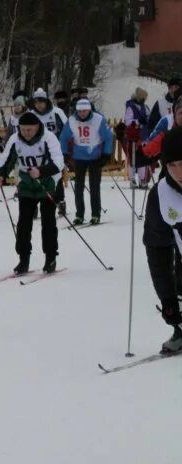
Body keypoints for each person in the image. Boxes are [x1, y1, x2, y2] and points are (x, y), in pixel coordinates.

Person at [0, 111, 66, 275]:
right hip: (27, 184)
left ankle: (50, 258)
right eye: (23, 129)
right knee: (23, 224)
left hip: (48, 182)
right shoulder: (15, 139)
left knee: (48, 222)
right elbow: (6, 159)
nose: (26, 133)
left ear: (37, 127)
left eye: (30, 130)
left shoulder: (48, 138)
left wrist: (41, 172)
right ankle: (23, 259)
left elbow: (58, 162)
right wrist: (1, 174)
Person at [142, 126, 182, 354]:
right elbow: (157, 250)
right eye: (172, 165)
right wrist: (167, 300)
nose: (178, 172)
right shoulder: (161, 194)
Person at [58, 98, 113, 225]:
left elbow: (108, 137)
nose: (82, 113)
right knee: (78, 188)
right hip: (79, 157)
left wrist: (106, 154)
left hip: (95, 157)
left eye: (85, 111)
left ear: (89, 109)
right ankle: (79, 215)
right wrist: (65, 153)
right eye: (80, 111)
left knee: (94, 187)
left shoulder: (99, 119)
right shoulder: (72, 120)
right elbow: (64, 137)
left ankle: (95, 214)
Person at [31, 89, 69, 216]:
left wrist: (64, 149)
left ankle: (60, 202)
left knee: (56, 177)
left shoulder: (56, 112)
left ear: (46, 101)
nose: (39, 104)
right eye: (36, 102)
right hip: (38, 150)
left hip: (54, 150)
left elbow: (66, 130)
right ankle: (35, 204)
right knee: (36, 177)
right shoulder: (31, 115)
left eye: (41, 101)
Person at [125, 87, 153, 187]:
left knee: (143, 159)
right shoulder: (131, 107)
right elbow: (128, 122)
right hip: (134, 137)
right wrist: (138, 122)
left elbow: (150, 118)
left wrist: (148, 121)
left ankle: (142, 179)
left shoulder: (145, 107)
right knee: (133, 159)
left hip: (143, 137)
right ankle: (132, 179)